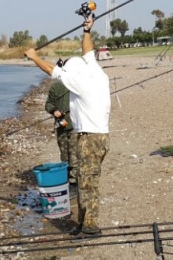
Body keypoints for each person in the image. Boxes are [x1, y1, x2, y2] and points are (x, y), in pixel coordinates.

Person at [25, 16, 110, 238]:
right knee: (84, 180)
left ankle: (90, 227)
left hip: (90, 138)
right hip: (98, 137)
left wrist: (34, 57)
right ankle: (83, 224)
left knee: (88, 183)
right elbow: (88, 52)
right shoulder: (96, 72)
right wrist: (87, 31)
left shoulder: (81, 82)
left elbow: (51, 70)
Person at [44, 77, 77, 184]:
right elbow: (48, 104)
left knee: (75, 154)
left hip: (77, 127)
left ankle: (75, 180)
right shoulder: (56, 87)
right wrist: (54, 110)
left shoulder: (80, 84)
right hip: (61, 126)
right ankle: (66, 177)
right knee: (64, 155)